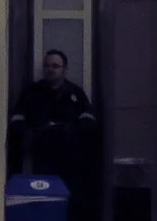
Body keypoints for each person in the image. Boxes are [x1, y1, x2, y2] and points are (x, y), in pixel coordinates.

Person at [10, 49, 96, 182]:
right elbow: (17, 121)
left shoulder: (75, 93)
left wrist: (70, 132)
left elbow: (88, 123)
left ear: (64, 69)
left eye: (55, 66)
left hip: (69, 157)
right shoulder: (31, 93)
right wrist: (31, 134)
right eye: (47, 66)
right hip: (38, 156)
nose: (50, 69)